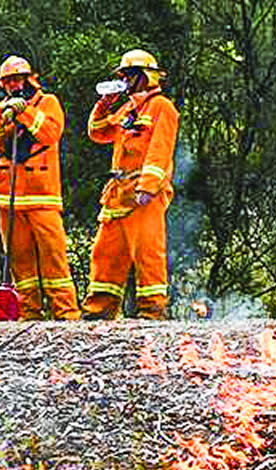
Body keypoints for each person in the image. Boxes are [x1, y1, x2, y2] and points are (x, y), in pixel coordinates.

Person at [0, 55, 80, 320]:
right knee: (19, 258)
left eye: (18, 79)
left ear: (30, 79)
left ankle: (66, 312)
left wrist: (25, 112)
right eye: (8, 81)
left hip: (41, 194)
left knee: (53, 255)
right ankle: (29, 311)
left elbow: (50, 133)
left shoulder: (48, 103)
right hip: (7, 194)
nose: (13, 85)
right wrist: (2, 117)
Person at [82, 49, 180, 320]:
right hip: (117, 193)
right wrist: (104, 105)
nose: (124, 80)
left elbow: (160, 149)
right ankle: (99, 310)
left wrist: (147, 187)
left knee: (148, 252)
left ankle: (152, 311)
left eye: (129, 75)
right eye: (123, 75)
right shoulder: (128, 108)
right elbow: (98, 132)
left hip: (143, 194)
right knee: (105, 252)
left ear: (144, 76)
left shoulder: (162, 107)